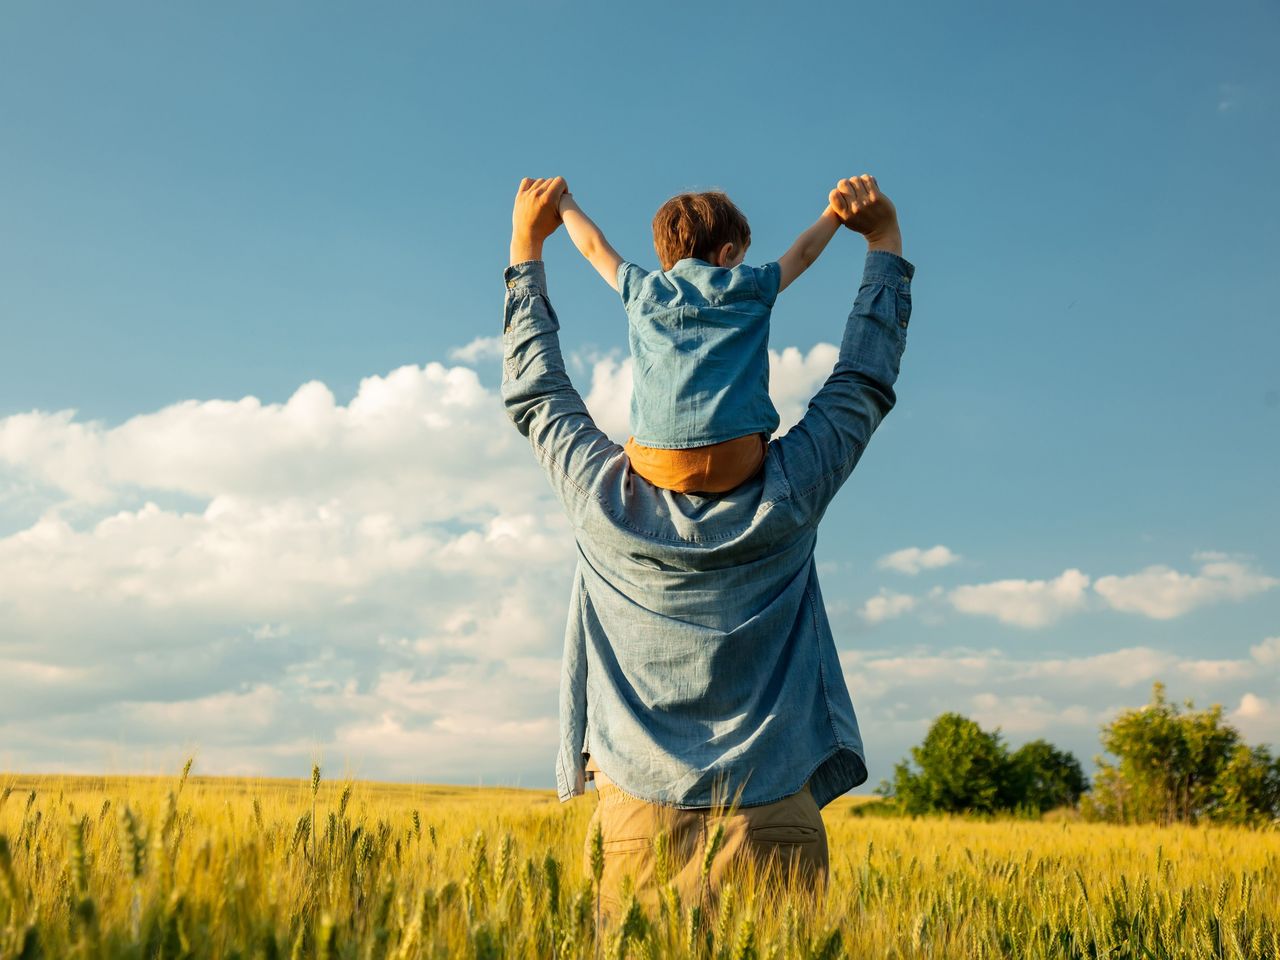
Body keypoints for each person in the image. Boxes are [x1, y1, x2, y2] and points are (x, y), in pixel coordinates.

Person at [501, 174, 914, 917]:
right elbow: (862, 381)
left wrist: (527, 246)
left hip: (635, 832)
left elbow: (537, 393)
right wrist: (882, 243)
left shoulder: (602, 502)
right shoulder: (791, 492)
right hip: (775, 822)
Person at [557, 188, 842, 494]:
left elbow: (593, 247)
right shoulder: (750, 285)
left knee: (631, 445)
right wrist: (835, 213)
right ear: (727, 253)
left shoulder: (641, 289)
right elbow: (804, 253)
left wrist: (563, 202)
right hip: (737, 460)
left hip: (658, 463)